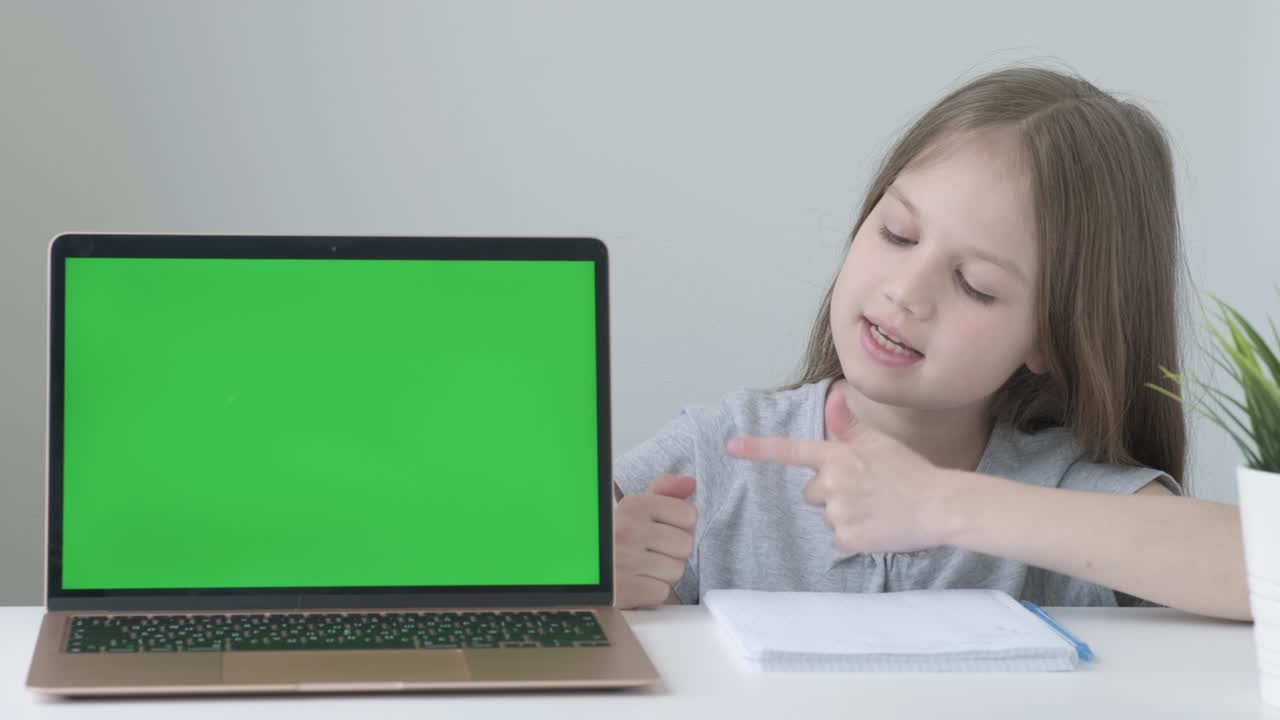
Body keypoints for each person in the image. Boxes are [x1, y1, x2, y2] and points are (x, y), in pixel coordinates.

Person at [612, 66, 1250, 621]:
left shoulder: (1062, 489)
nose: (907, 293)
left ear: (1053, 338)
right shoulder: (720, 452)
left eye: (975, 285)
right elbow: (528, 555)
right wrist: (612, 576)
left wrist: (942, 504)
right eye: (896, 233)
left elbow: (1258, 568)